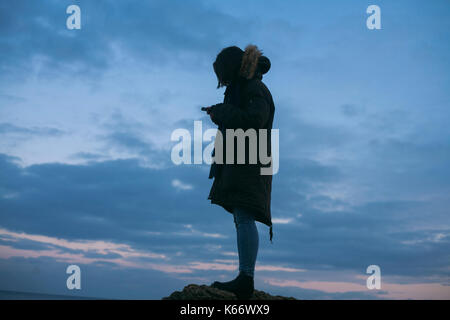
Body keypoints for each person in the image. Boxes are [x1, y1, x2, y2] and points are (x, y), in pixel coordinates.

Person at [204, 44, 275, 299]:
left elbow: (254, 120)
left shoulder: (253, 87)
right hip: (244, 160)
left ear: (231, 69)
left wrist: (222, 112)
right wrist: (221, 112)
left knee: (244, 217)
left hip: (251, 161)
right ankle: (245, 277)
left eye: (222, 74)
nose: (221, 82)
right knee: (241, 217)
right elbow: (244, 119)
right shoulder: (244, 87)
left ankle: (246, 279)